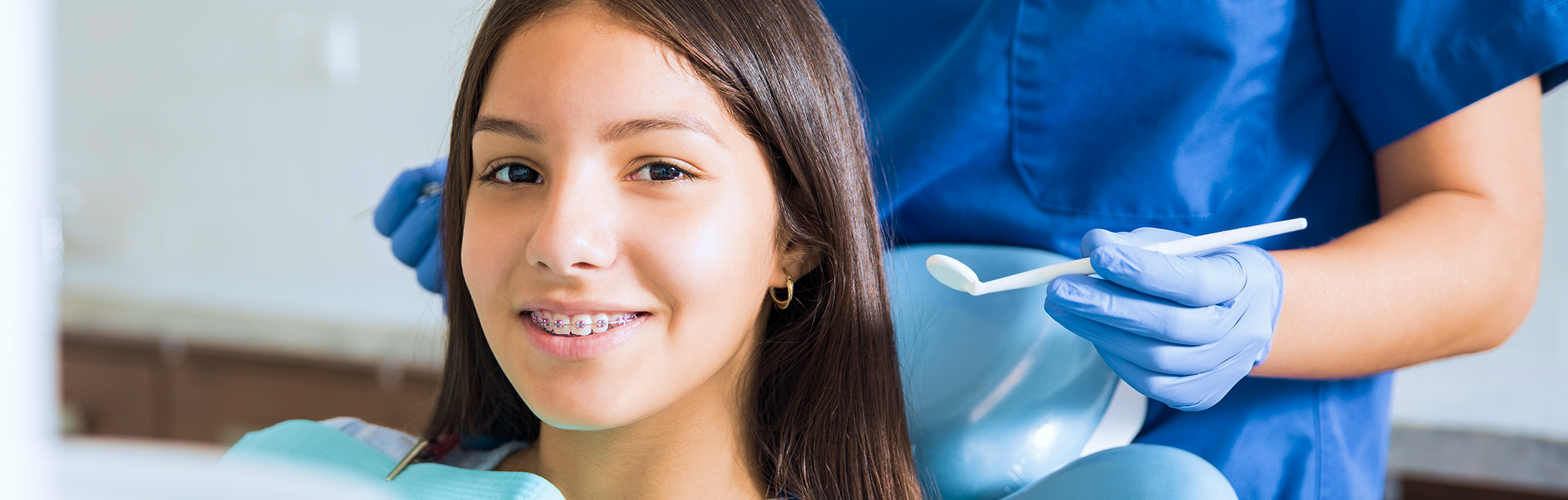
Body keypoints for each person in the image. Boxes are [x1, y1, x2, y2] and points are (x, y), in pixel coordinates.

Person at [376, 1, 1568, 499]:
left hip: (1217, 453)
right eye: (509, 168)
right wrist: (552, 211)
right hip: (803, 441)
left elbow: (1486, 234)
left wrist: (1261, 309)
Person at [241, 1, 930, 498]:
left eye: (661, 169)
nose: (559, 243)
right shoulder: (299, 477)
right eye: (514, 171)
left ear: (796, 238)